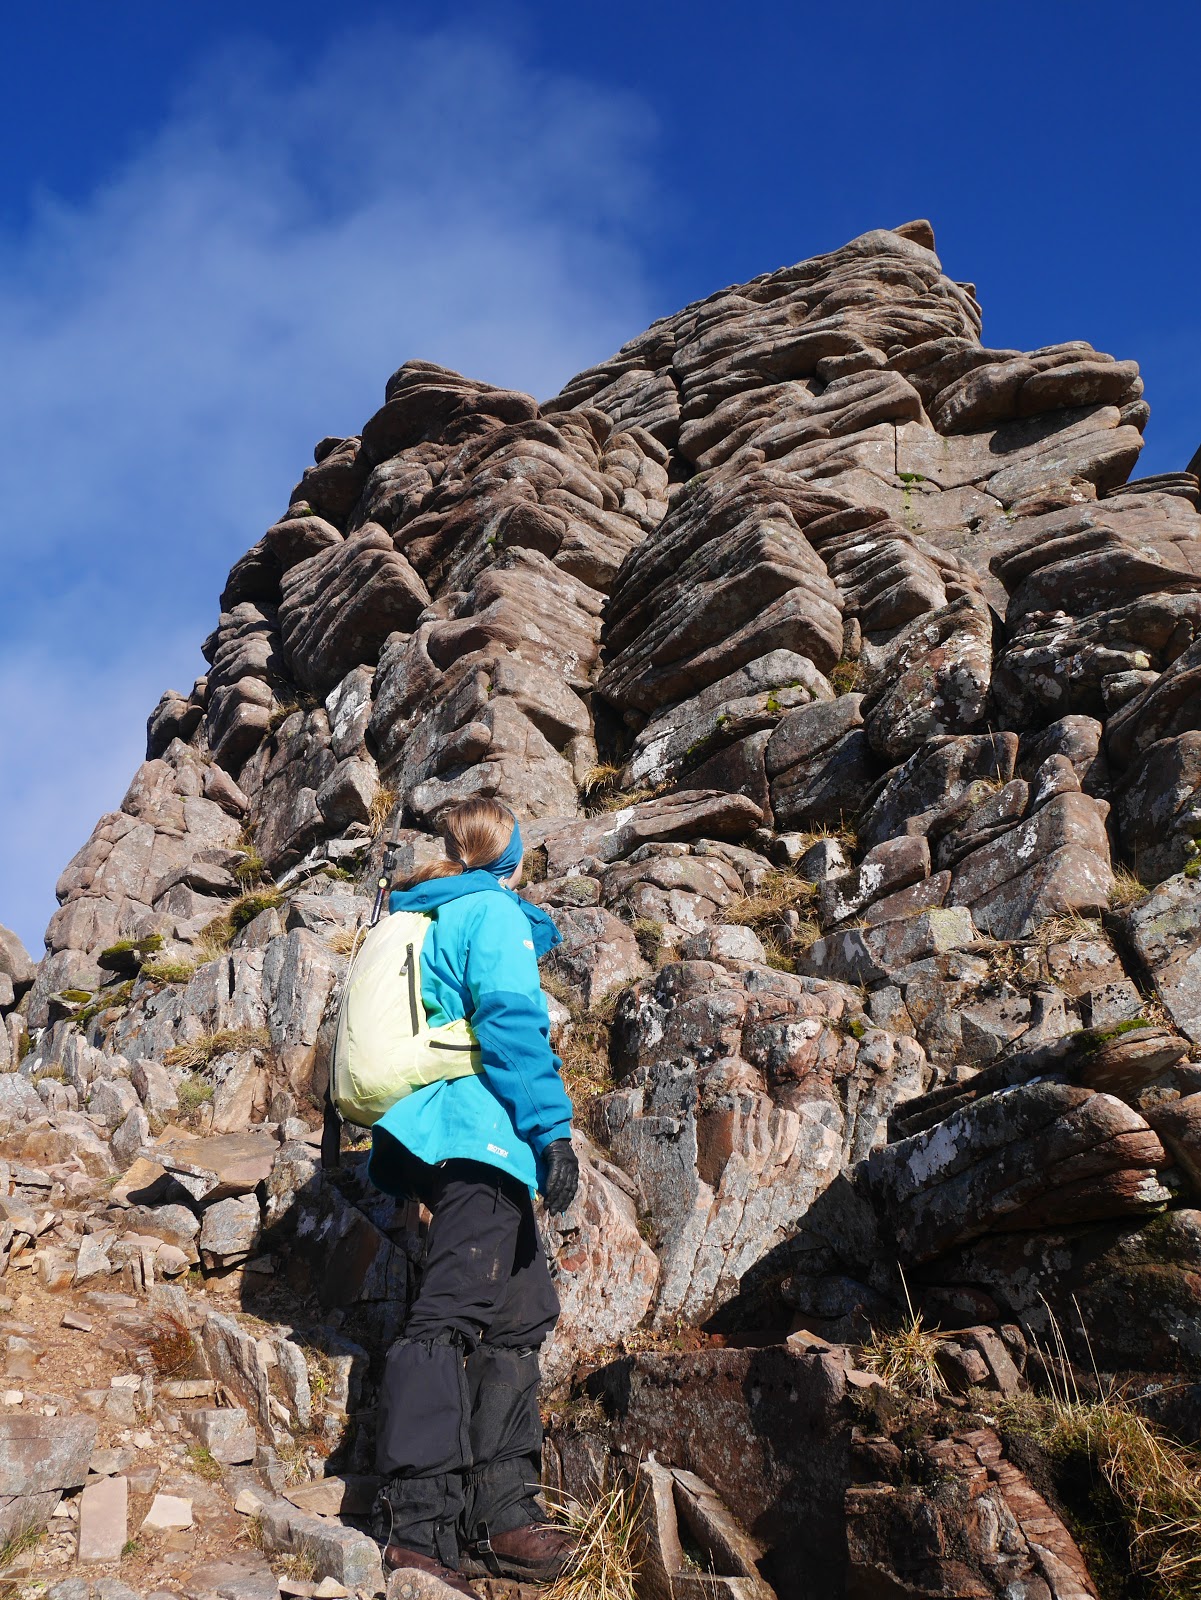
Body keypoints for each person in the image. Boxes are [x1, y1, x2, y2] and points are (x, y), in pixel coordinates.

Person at [367, 798, 580, 1594]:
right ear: (510, 855)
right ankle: (418, 1530)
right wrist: (551, 1129)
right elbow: (512, 1021)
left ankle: (502, 1515)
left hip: (448, 1136)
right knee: (450, 1315)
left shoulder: (433, 910)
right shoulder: (485, 909)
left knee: (520, 1314)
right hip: (476, 1135)